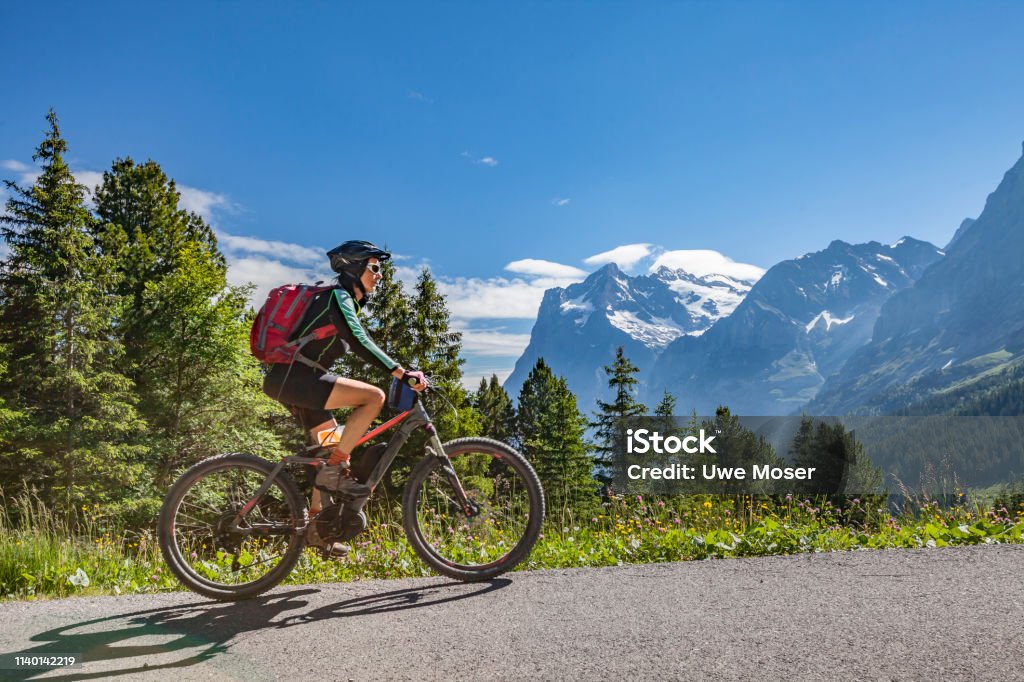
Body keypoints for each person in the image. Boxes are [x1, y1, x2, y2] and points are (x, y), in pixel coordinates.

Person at [262, 240, 427, 555]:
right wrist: (401, 373)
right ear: (355, 268)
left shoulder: (340, 299)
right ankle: (335, 468)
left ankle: (315, 529)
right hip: (296, 379)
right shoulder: (339, 298)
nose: (380, 276)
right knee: (373, 398)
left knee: (328, 453)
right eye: (375, 268)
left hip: (292, 381)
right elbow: (360, 340)